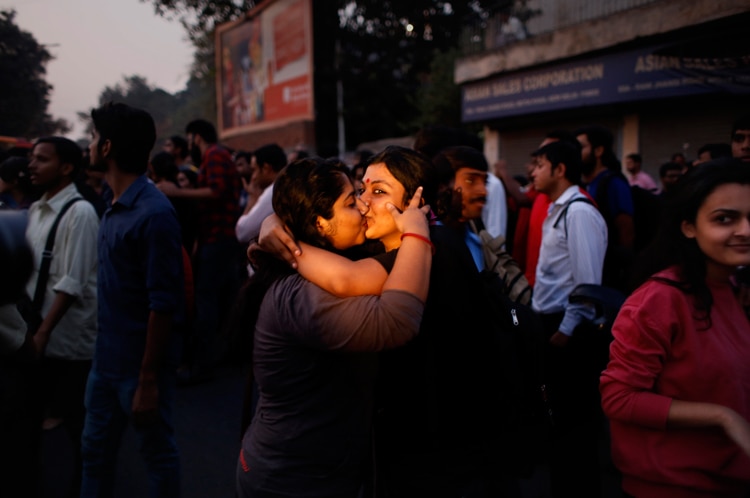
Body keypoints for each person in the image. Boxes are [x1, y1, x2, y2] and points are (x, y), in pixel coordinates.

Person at [257, 145, 519, 497]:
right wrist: (276, 225)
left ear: (416, 204)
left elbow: (347, 281)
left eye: (378, 192)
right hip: (391, 447)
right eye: (361, 191)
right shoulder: (375, 250)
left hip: (441, 451)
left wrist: (282, 242)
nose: (364, 202)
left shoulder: (433, 250)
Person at [235, 156, 432, 498]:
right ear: (321, 224)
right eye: (352, 201)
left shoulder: (346, 256)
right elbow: (397, 320)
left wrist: (272, 227)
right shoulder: (301, 293)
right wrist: (417, 232)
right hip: (290, 479)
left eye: (373, 192)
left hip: (324, 468)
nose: (365, 206)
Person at [600, 158, 750, 497]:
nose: (745, 231)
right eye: (725, 219)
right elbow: (619, 397)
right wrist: (723, 417)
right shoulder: (660, 299)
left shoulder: (730, 289)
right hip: (673, 486)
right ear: (688, 226)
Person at [80, 102, 184, 498]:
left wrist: (147, 379)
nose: (88, 145)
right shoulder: (113, 205)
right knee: (94, 453)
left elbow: (163, 303)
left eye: (92, 137)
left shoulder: (154, 214)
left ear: (106, 147)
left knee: (157, 456)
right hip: (105, 361)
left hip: (137, 369)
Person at [530, 140, 608, 497]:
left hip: (570, 331)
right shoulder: (556, 209)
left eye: (540, 164)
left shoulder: (579, 213)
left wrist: (564, 331)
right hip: (553, 325)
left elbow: (588, 286)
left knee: (576, 423)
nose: (533, 171)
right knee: (560, 420)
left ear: (560, 170)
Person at [25, 136, 99, 498]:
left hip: (66, 340)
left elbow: (72, 281)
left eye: (42, 159)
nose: (32, 166)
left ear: (67, 168)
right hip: (39, 334)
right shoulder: (39, 209)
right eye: (32, 159)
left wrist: (42, 333)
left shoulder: (80, 213)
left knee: (77, 426)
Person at [157, 119, 241, 385]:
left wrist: (178, 192)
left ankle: (203, 364)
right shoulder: (215, 156)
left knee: (207, 302)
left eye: (189, 138)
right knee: (218, 299)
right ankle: (216, 358)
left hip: (218, 238)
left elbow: (216, 191)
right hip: (216, 238)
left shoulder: (215, 154)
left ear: (196, 136)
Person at [576, 124, 635, 292]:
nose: (576, 154)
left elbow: (626, 232)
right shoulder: (586, 184)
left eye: (581, 147)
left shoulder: (613, 183)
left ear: (598, 151)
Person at [235, 143, 287, 245]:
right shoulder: (286, 185)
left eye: (254, 170)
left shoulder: (273, 191)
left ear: (266, 169)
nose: (253, 177)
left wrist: (252, 199)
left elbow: (242, 232)